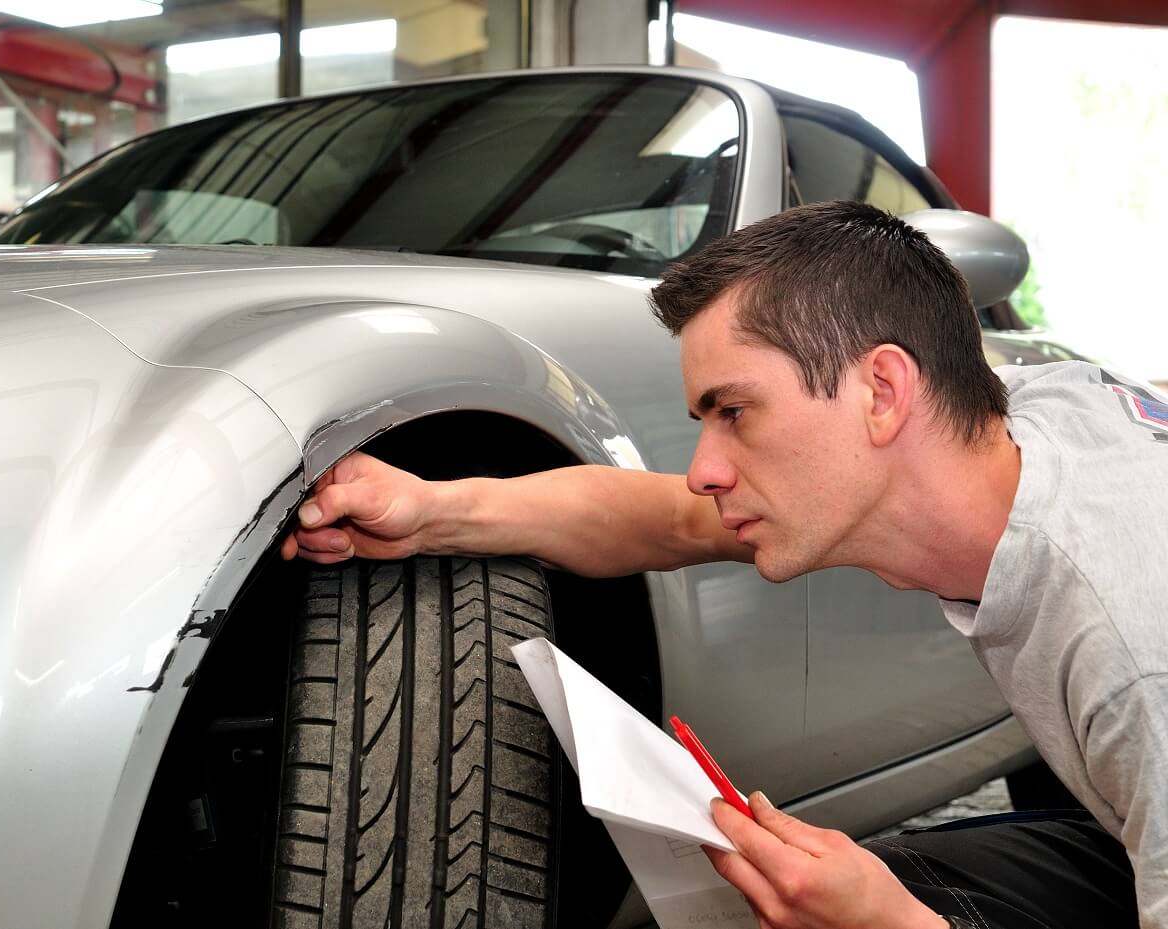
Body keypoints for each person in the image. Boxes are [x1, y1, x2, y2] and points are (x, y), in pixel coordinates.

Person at [278, 201, 1165, 929]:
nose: (704, 467)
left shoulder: (1134, 652)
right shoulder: (1021, 425)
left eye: (734, 410)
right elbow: (665, 517)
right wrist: (435, 510)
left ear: (883, 392)